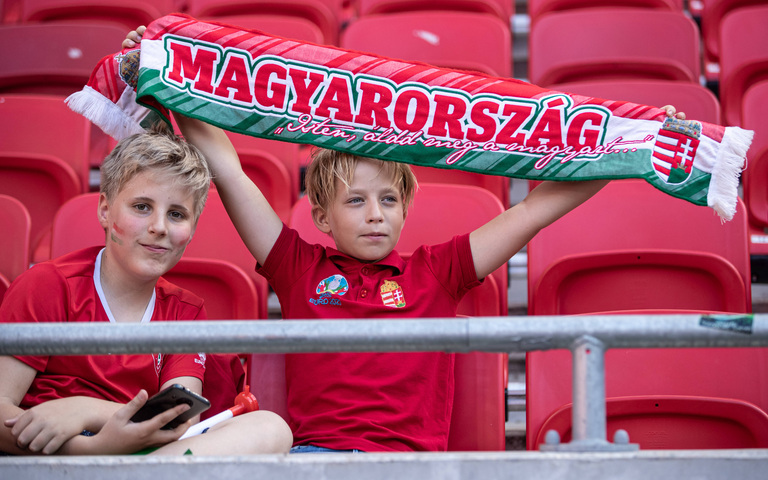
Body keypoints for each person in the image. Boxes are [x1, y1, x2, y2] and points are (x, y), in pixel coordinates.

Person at [125, 28, 686, 454]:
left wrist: (636, 148)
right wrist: (163, 76)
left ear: (405, 209)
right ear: (322, 215)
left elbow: (537, 208)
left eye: (388, 200)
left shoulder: (437, 271)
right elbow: (230, 172)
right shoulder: (298, 266)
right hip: (314, 460)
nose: (375, 216)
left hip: (411, 465)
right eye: (356, 201)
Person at [0, 123, 293, 456]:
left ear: (192, 229)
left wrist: (85, 409)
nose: (158, 227)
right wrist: (93, 449)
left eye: (177, 214)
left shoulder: (186, 312)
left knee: (271, 428)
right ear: (105, 210)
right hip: (47, 459)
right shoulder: (47, 285)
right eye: (142, 207)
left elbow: (174, 419)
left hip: (143, 457)